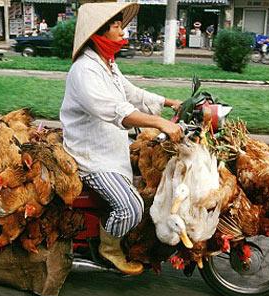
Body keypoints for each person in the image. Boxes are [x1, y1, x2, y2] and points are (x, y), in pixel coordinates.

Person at [60, 2, 182, 275]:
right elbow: (116, 110)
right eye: (115, 25)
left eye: (119, 24)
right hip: (91, 157)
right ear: (98, 33)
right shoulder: (84, 71)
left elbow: (131, 94)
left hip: (111, 148)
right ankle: (108, 250)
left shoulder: (107, 64)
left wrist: (170, 102)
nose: (121, 30)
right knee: (131, 207)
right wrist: (159, 122)